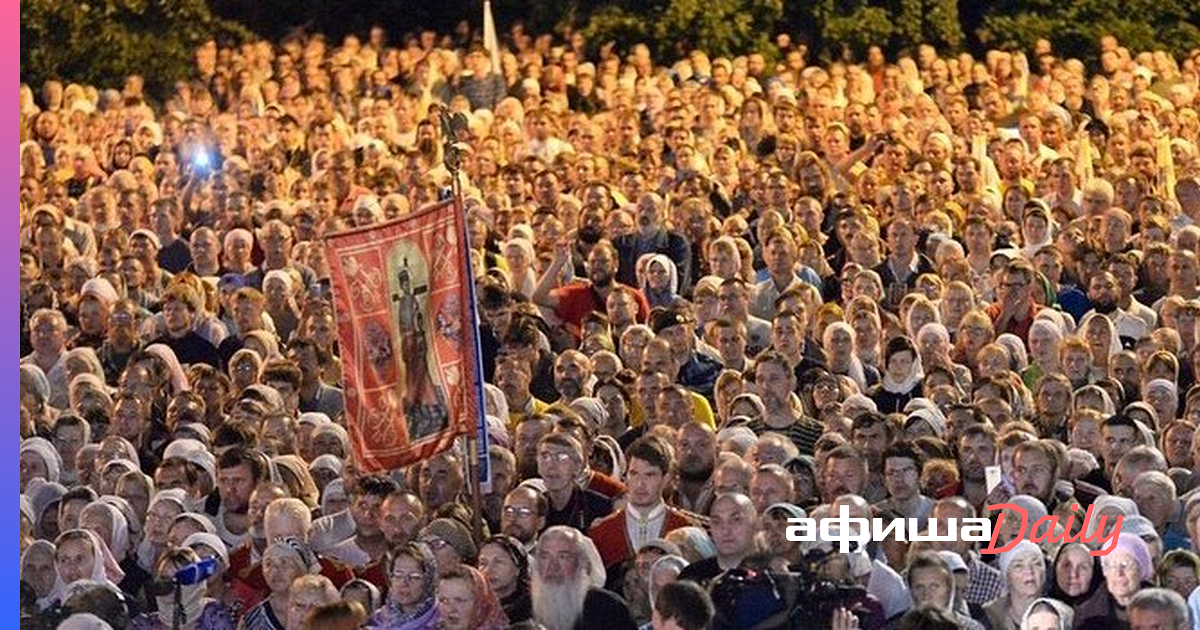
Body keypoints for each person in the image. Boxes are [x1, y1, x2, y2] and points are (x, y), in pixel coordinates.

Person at [530, 525, 637, 630]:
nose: (553, 566)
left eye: (563, 557)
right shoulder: (522, 610)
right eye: (545, 557)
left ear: (580, 562)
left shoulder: (610, 608)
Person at [130, 547, 235, 629]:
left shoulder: (214, 619)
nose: (170, 585)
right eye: (164, 578)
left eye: (180, 579)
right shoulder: (143, 625)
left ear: (195, 586)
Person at [368, 542, 440, 630]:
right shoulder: (378, 620)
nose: (404, 583)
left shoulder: (441, 621)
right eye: (398, 575)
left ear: (429, 581)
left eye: (414, 577)